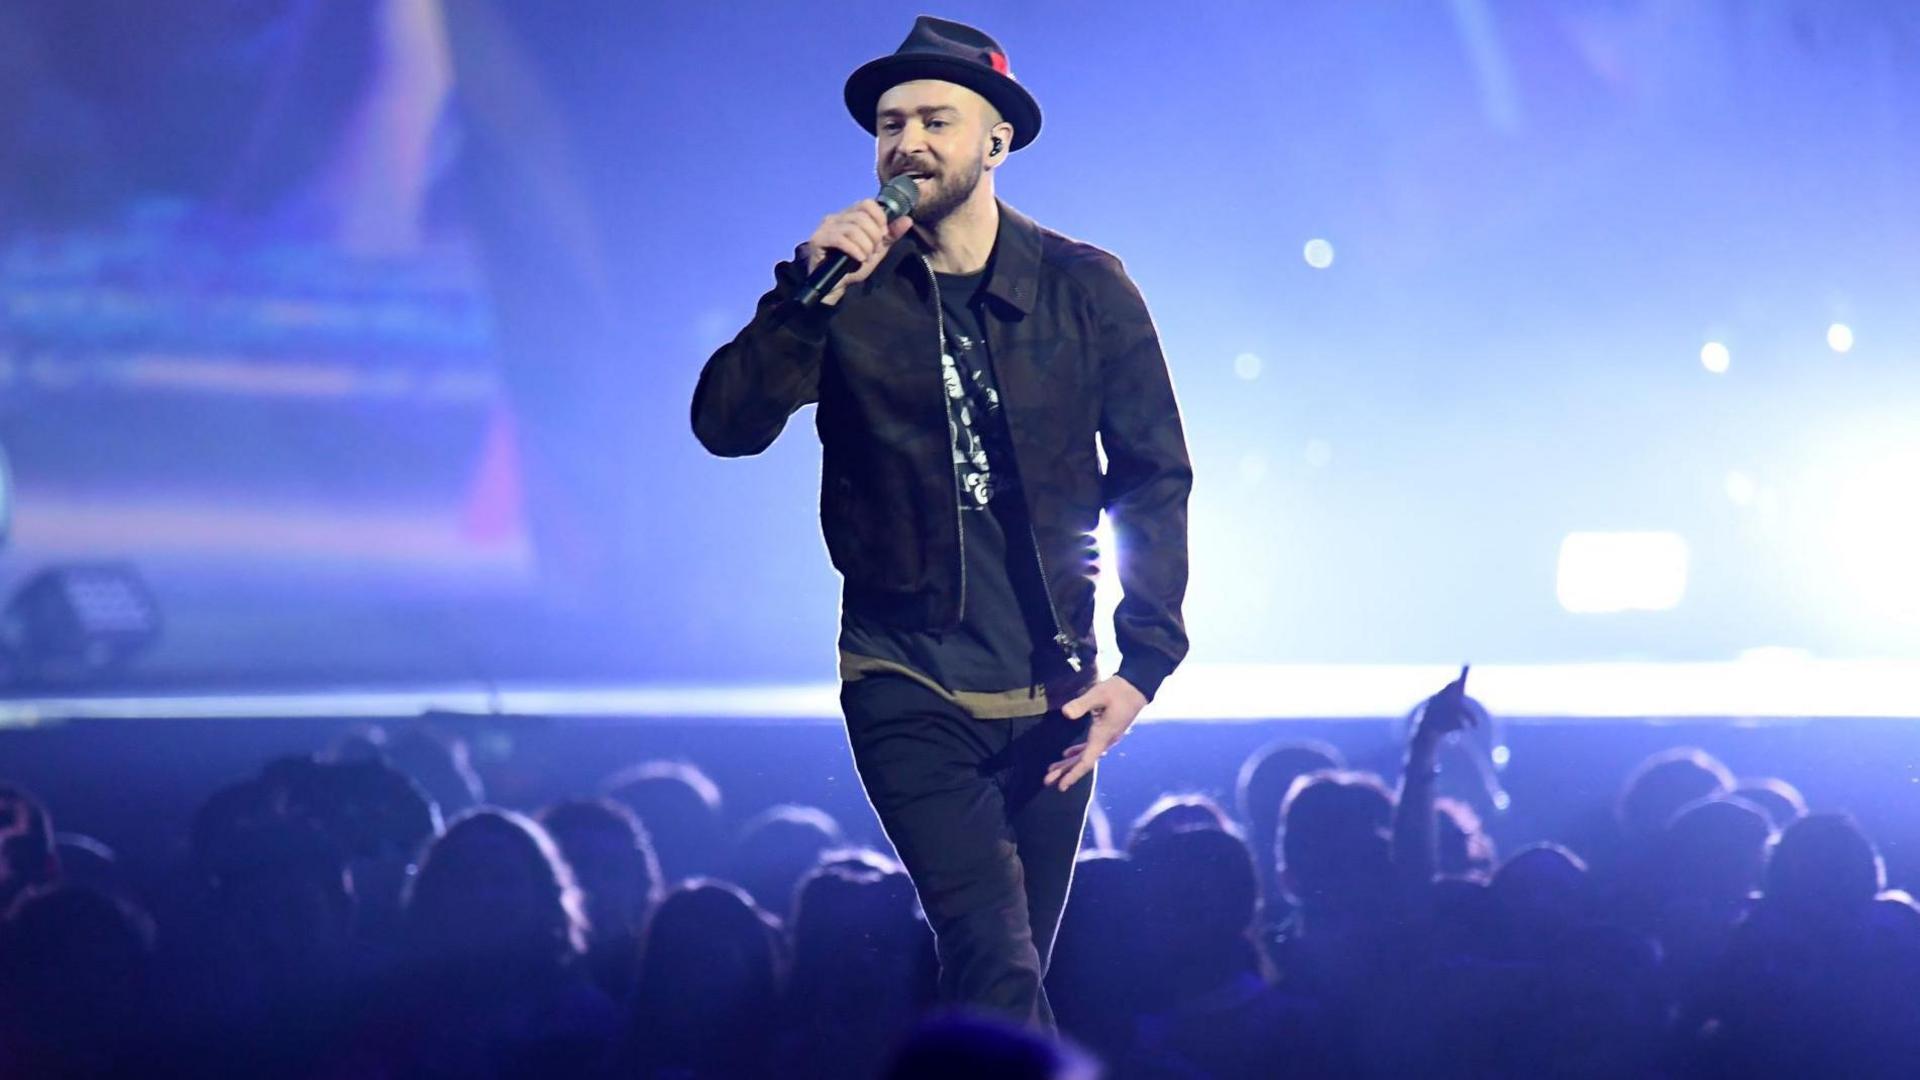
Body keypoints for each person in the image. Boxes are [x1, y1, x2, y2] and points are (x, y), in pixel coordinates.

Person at [691, 16, 1191, 1028]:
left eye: (933, 120)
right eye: (889, 124)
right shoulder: (843, 295)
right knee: (995, 963)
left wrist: (1143, 664)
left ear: (995, 140)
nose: (906, 144)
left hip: (1051, 689)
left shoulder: (1086, 288)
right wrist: (804, 302)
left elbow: (1153, 475)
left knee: (1001, 997)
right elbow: (725, 426)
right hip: (905, 678)